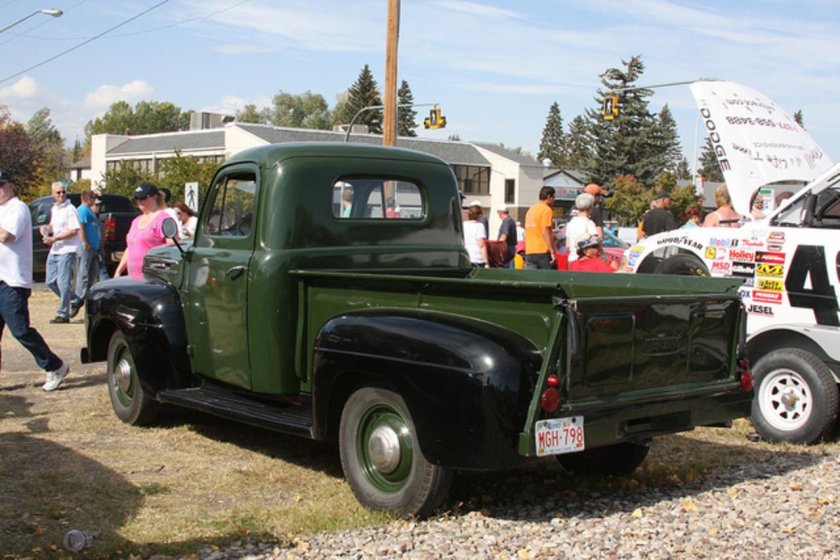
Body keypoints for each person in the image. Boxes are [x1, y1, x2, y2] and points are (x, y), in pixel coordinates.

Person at [0, 170, 69, 391]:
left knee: (20, 330)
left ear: (10, 186)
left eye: (1, 186)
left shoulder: (17, 209)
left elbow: (6, 236)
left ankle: (54, 365)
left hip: (13, 282)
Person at [41, 181, 80, 324]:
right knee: (51, 281)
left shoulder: (70, 209)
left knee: (63, 282)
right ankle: (75, 299)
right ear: (53, 194)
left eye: (63, 192)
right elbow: (52, 226)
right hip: (55, 249)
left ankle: (63, 314)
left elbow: (74, 230)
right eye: (58, 192)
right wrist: (45, 229)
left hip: (67, 249)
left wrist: (55, 238)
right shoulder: (55, 209)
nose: (61, 195)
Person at [114, 182, 171, 280]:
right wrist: (118, 271)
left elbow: (172, 248)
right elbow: (130, 248)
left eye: (143, 198)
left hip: (154, 278)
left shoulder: (163, 219)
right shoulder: (136, 221)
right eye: (137, 199)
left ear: (154, 197)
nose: (139, 201)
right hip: (133, 277)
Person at [69, 190, 102, 318]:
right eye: (93, 198)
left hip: (94, 247)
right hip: (87, 247)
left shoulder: (90, 211)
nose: (95, 201)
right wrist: (84, 242)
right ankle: (77, 301)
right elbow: (81, 227)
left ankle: (87, 298)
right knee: (83, 273)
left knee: (93, 275)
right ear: (88, 198)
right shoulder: (82, 210)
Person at [524, 187, 556, 269]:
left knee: (532, 279)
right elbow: (545, 230)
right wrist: (552, 251)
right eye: (553, 197)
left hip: (530, 250)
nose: (554, 200)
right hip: (542, 250)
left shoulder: (531, 209)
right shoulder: (546, 210)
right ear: (549, 197)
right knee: (546, 279)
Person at [565, 193, 598, 264]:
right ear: (590, 208)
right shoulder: (589, 223)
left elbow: (567, 244)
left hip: (571, 259)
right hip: (585, 260)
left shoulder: (570, 222)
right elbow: (595, 241)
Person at [463, 203, 489, 268]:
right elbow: (481, 245)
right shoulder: (479, 226)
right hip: (477, 258)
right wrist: (486, 262)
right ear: (479, 215)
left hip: (465, 257)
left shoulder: (464, 225)